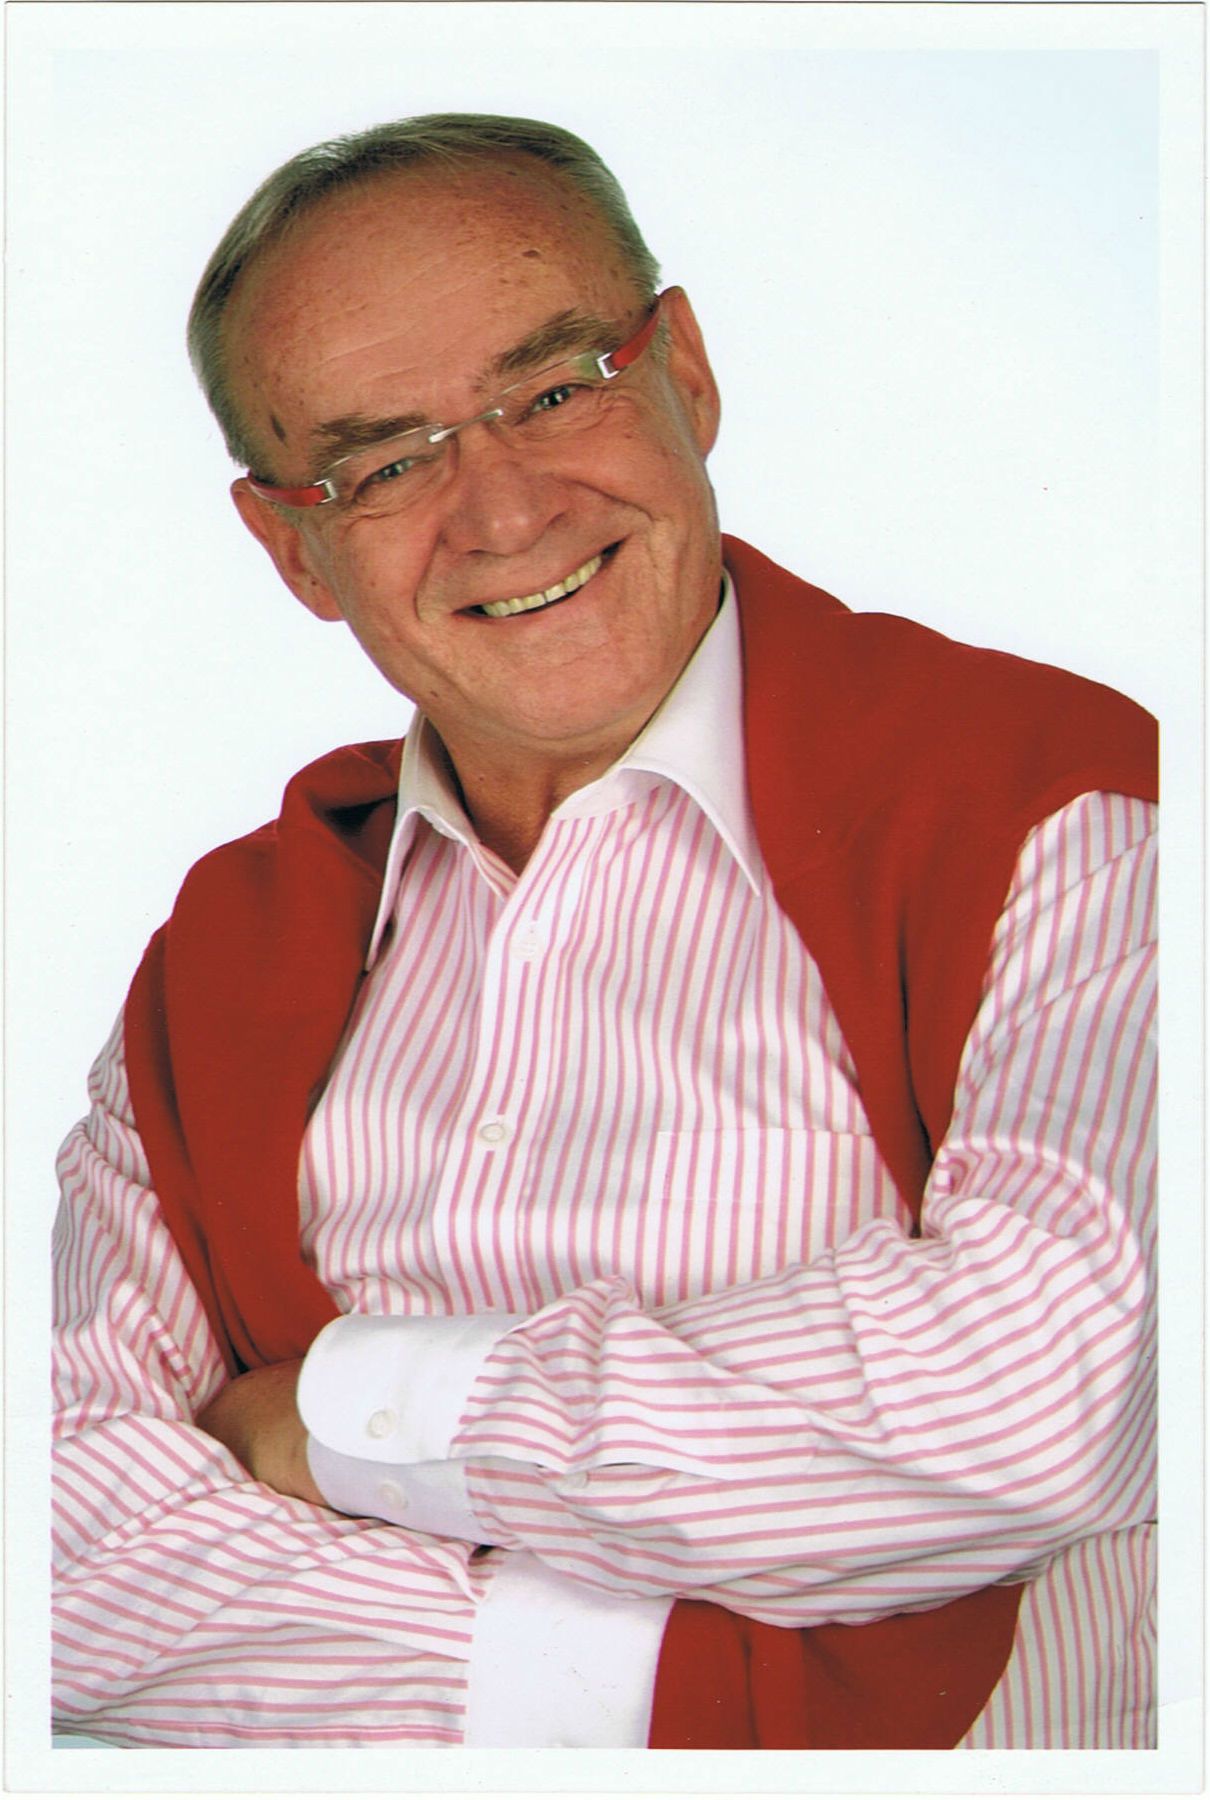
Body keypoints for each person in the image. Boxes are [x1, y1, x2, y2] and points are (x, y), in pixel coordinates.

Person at [52, 113, 1157, 1751]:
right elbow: (53, 1542)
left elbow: (1044, 1400)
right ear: (293, 546)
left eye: (556, 389)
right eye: (383, 462)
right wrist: (670, 1689)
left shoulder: (1067, 808)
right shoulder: (224, 953)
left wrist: (330, 1415)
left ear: (683, 375)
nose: (501, 511)